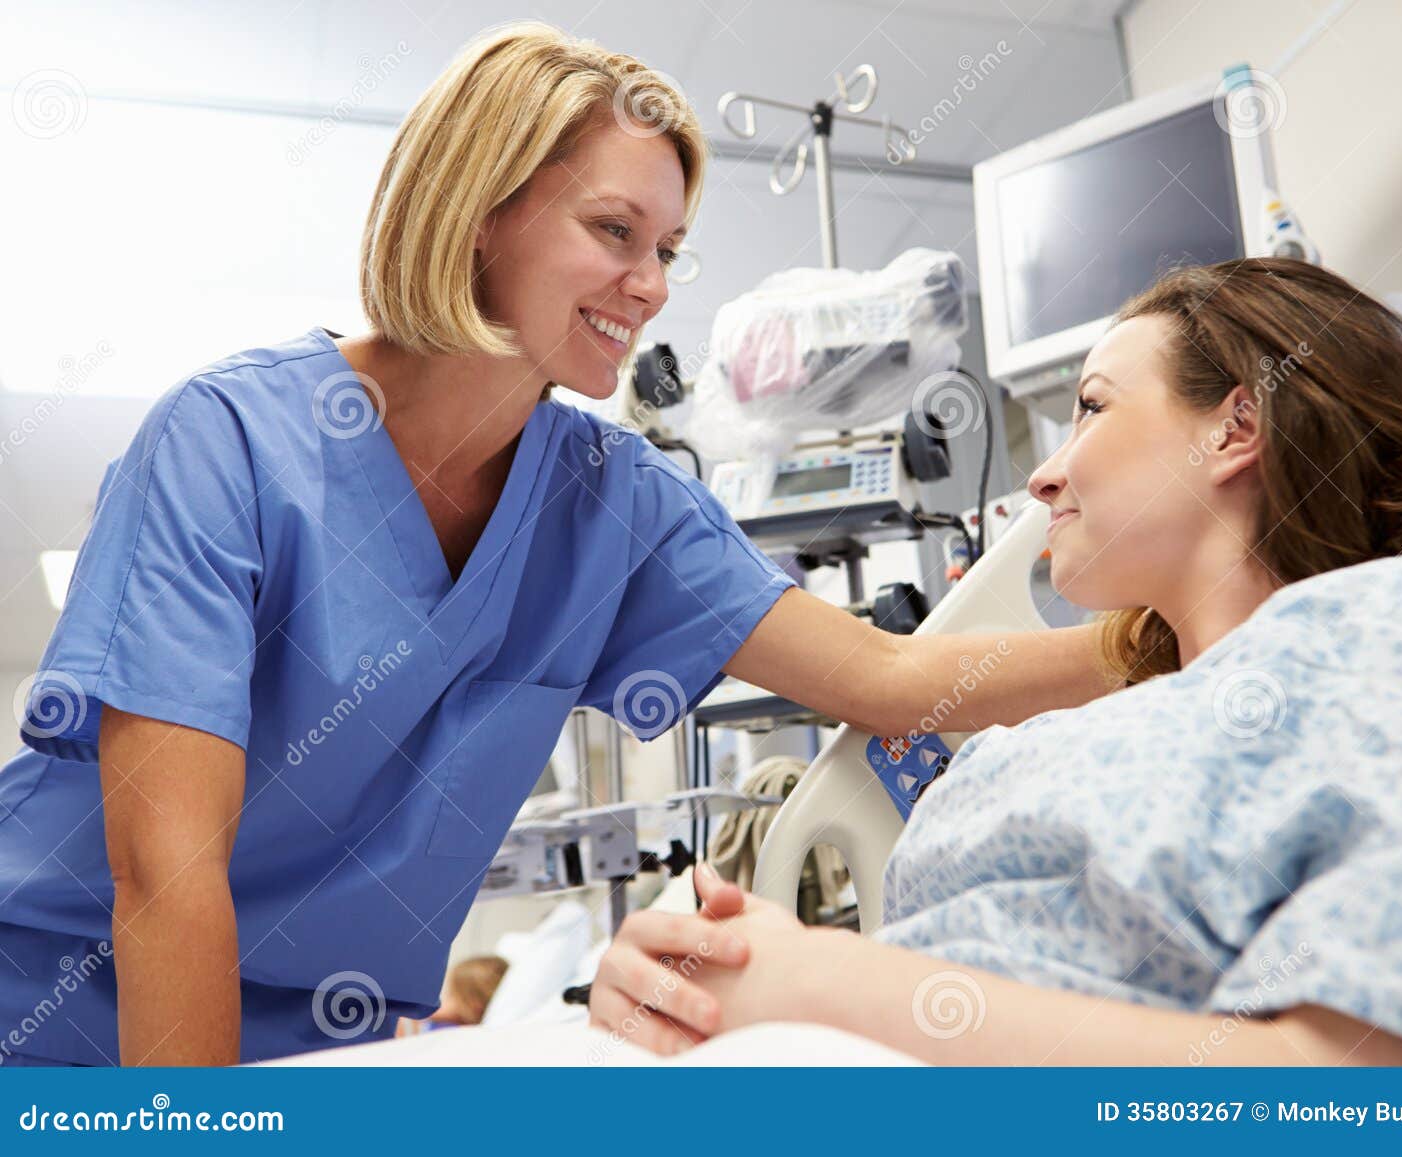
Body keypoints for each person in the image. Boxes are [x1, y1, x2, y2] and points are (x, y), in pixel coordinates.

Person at [0, 23, 1107, 1067]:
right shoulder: (228, 442)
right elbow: (166, 869)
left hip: (315, 1050)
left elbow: (895, 675)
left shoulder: (610, 501)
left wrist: (1187, 631)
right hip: (53, 1010)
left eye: (668, 248)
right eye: (613, 231)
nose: (654, 284)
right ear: (481, 209)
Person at [590, 258, 1402, 1065]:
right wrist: (690, 976)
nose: (1043, 470)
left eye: (1093, 405)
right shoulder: (1062, 738)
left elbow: (1352, 1090)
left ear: (1236, 426)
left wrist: (814, 981)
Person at [394, 956, 509, 1037]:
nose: (444, 1000)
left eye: (451, 995)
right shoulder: (446, 1021)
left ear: (475, 1005)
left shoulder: (462, 1034)